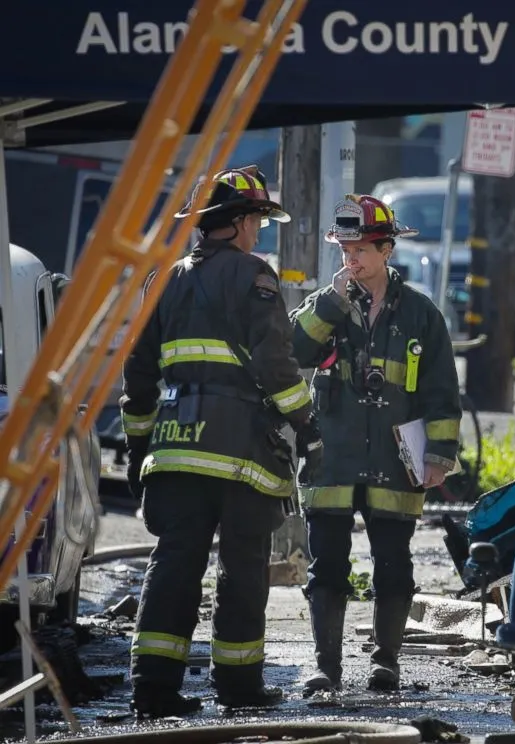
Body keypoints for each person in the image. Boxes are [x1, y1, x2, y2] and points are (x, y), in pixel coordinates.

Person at [120, 166, 323, 718]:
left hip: (175, 447)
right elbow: (275, 364)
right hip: (240, 455)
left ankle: (153, 689)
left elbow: (137, 380)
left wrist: (142, 457)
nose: (259, 229)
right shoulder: (255, 276)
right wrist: (307, 423)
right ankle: (238, 687)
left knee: (174, 566)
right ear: (234, 224)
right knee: (242, 569)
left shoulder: (162, 281)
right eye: (256, 218)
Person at [289, 194, 462, 694]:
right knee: (327, 567)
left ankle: (386, 661)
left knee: (393, 565)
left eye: (361, 249)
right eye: (345, 249)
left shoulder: (422, 315)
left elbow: (441, 391)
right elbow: (295, 349)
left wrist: (438, 456)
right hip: (332, 458)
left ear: (387, 249)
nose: (351, 259)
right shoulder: (328, 303)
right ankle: (327, 667)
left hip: (394, 460)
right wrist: (332, 301)